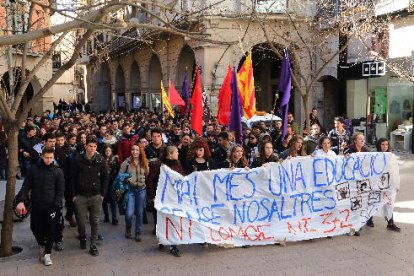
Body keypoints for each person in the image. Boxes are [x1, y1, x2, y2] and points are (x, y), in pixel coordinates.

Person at [15, 147, 65, 266]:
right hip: (37, 205)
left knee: (51, 230)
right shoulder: (33, 170)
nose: (49, 160)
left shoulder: (58, 171)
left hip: (52, 206)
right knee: (35, 227)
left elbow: (60, 190)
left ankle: (47, 254)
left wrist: (56, 204)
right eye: (46, 157)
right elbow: (25, 186)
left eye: (51, 158)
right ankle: (41, 244)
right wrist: (21, 201)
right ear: (42, 156)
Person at [70, 135, 108, 256]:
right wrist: (73, 195)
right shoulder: (77, 159)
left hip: (96, 195)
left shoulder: (100, 159)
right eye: (90, 146)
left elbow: (105, 178)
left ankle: (93, 244)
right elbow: (71, 178)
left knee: (95, 221)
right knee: (81, 221)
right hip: (80, 196)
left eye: (94, 146)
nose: (92, 149)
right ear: (86, 146)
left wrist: (102, 194)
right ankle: (82, 236)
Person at [146, 145, 184, 257]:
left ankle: (173, 246)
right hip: (161, 198)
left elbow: (182, 176)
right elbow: (150, 180)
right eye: (176, 152)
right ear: (170, 154)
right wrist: (152, 196)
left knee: (174, 221)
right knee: (161, 221)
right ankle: (162, 239)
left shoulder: (178, 163)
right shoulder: (159, 165)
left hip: (174, 198)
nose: (178, 154)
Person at [368, 138, 400, 232]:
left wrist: (396, 184)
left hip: (389, 183)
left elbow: (395, 171)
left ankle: (390, 222)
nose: (385, 146)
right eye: (383, 144)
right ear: (379, 145)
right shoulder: (374, 155)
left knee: (389, 202)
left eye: (386, 144)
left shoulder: (391, 156)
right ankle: (369, 219)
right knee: (374, 201)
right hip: (377, 183)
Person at [119, 144, 148, 241]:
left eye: (137, 150)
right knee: (129, 213)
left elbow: (147, 174)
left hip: (141, 190)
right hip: (130, 190)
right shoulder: (126, 163)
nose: (135, 152)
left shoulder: (144, 162)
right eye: (133, 150)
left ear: (140, 151)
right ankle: (128, 228)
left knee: (139, 212)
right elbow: (120, 176)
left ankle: (138, 232)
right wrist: (127, 180)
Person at [343, 132, 369, 237]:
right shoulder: (349, 150)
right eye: (360, 139)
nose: (362, 141)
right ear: (355, 141)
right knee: (351, 204)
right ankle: (350, 226)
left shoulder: (366, 150)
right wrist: (345, 156)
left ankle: (357, 224)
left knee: (359, 203)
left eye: (363, 139)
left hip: (361, 181)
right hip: (351, 181)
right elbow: (343, 159)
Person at [102, 145, 119, 225]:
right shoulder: (102, 160)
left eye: (109, 151)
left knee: (113, 201)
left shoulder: (115, 160)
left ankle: (114, 217)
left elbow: (117, 171)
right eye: (106, 151)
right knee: (104, 200)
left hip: (112, 183)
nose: (107, 152)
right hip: (104, 183)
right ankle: (106, 215)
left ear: (111, 151)